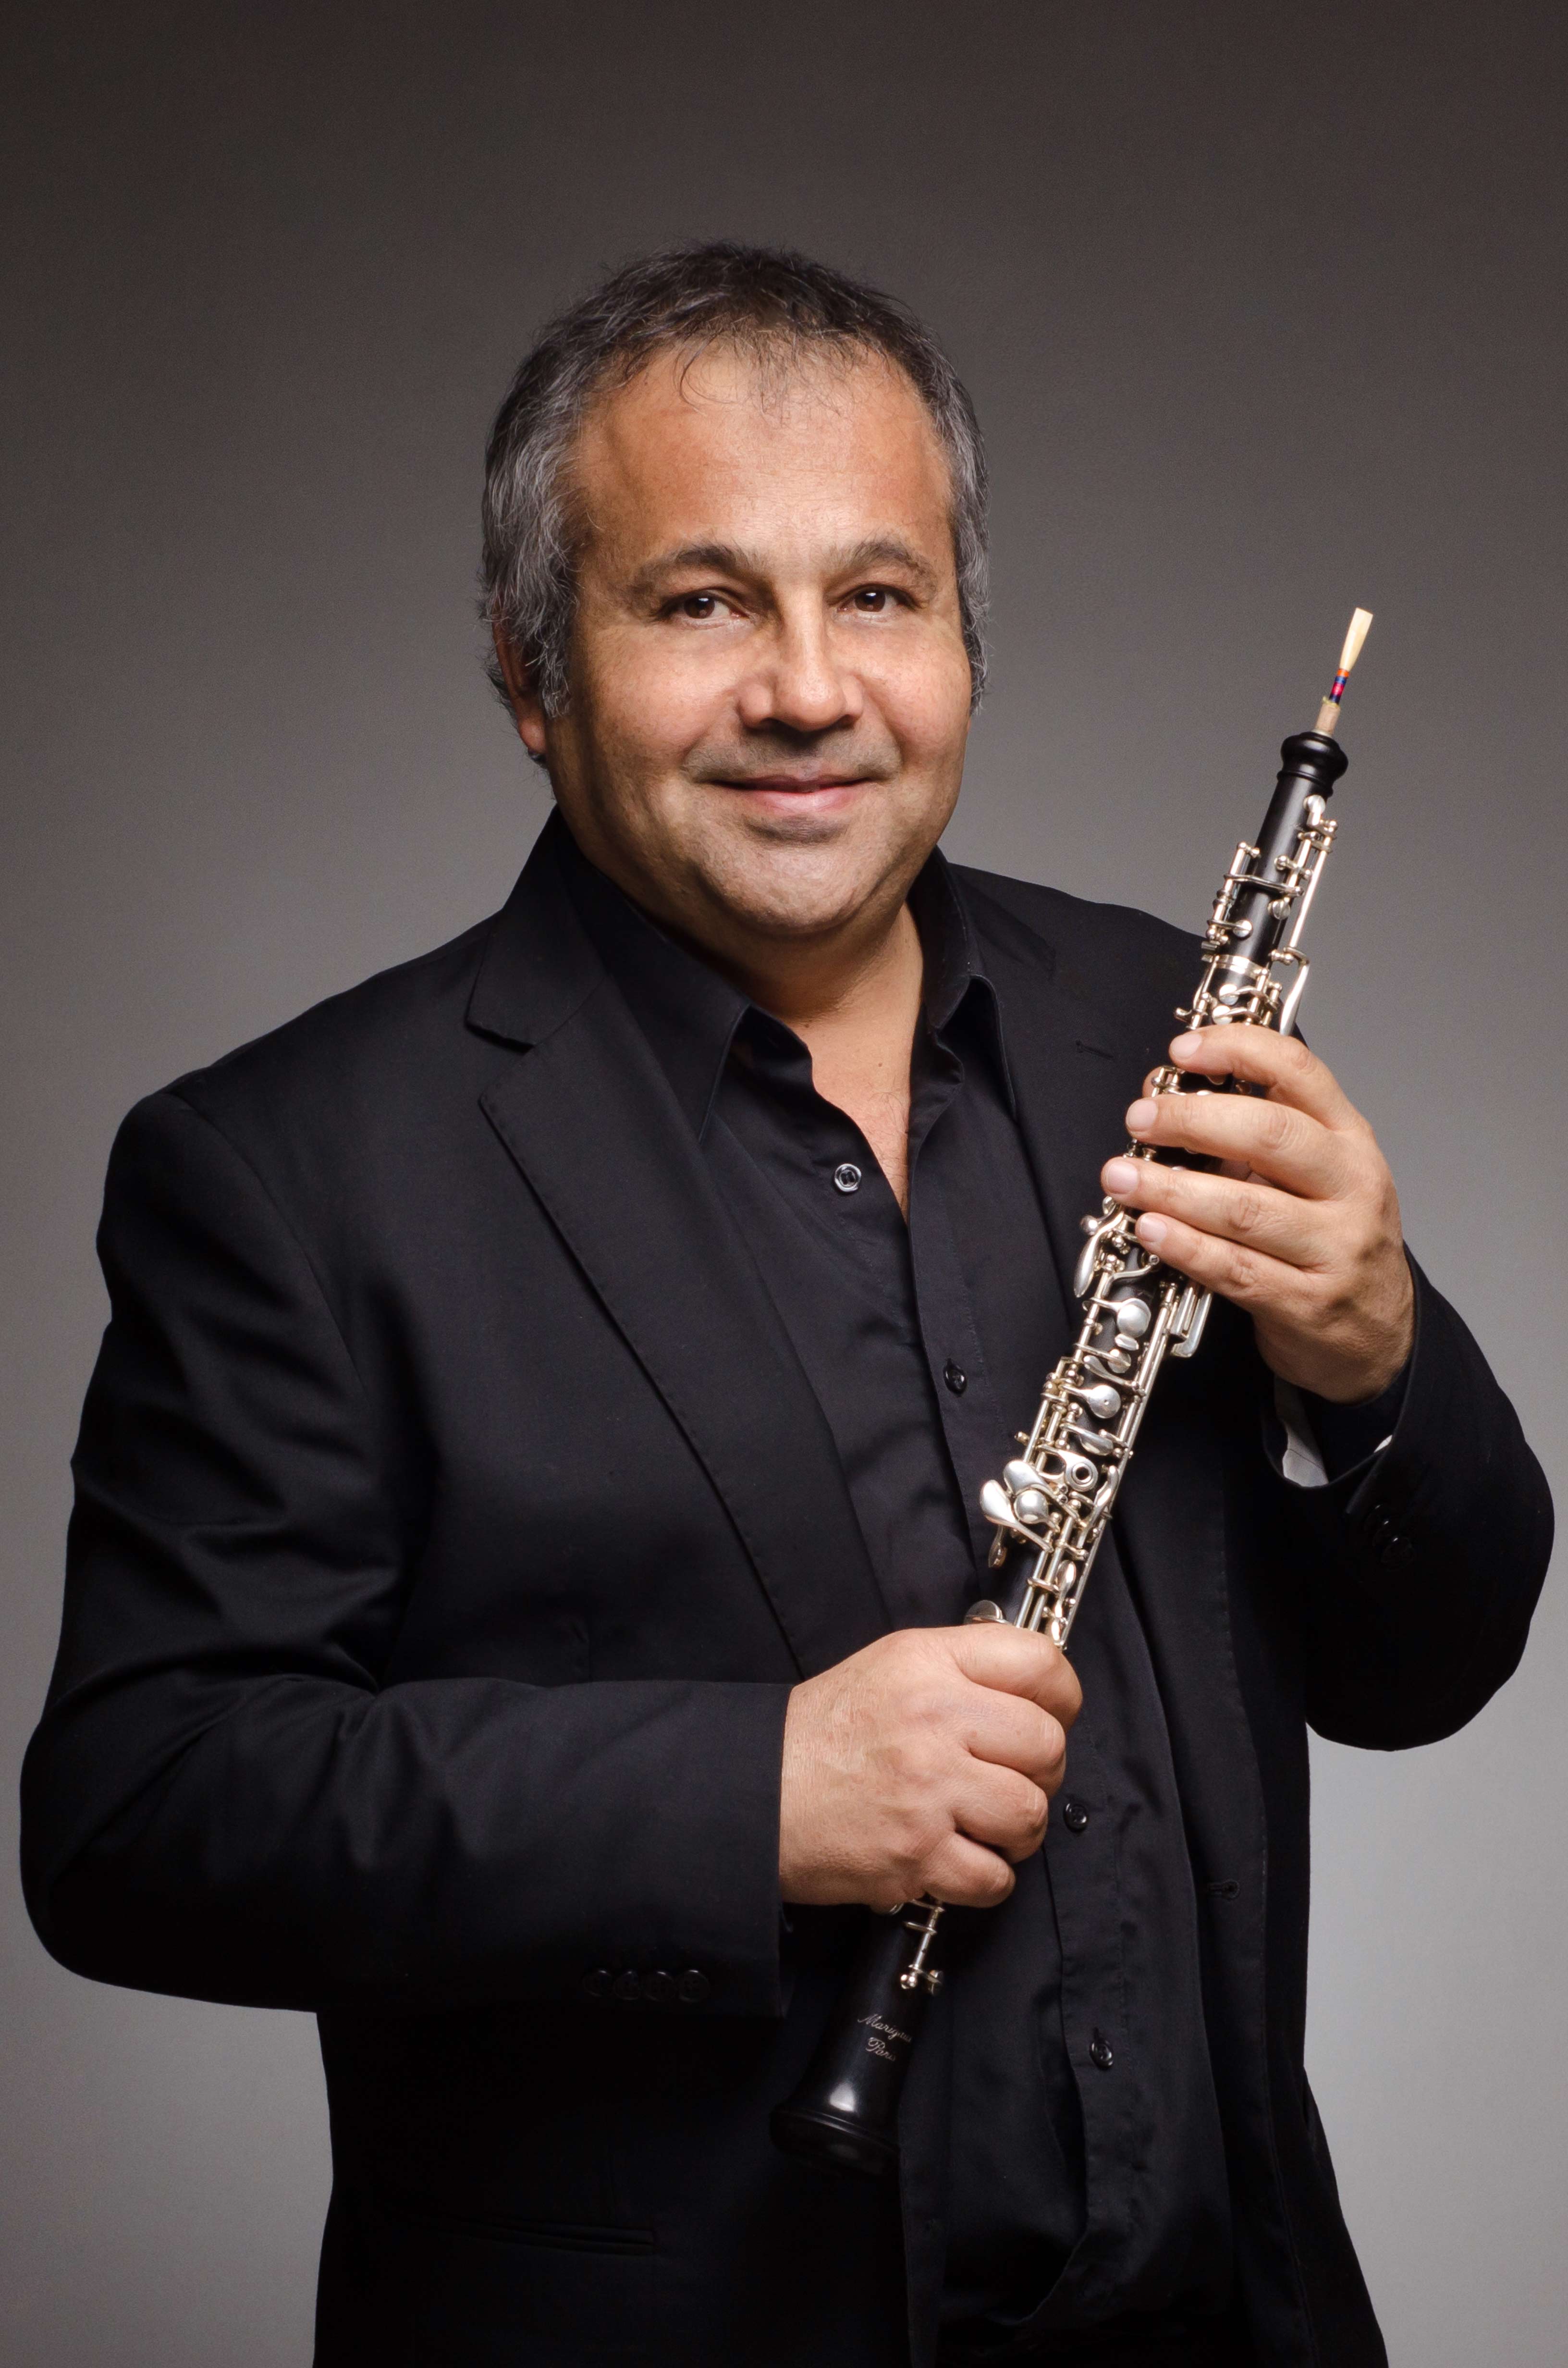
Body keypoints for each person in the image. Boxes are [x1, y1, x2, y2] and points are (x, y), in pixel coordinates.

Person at [21, 245, 1550, 2368]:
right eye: (702, 603)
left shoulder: (1156, 1022)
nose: (811, 689)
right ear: (530, 668)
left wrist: (1369, 1360)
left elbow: (1424, 1666)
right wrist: (756, 1793)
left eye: (881, 595)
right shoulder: (292, 1168)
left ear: (964, 642)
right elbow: (140, 1814)